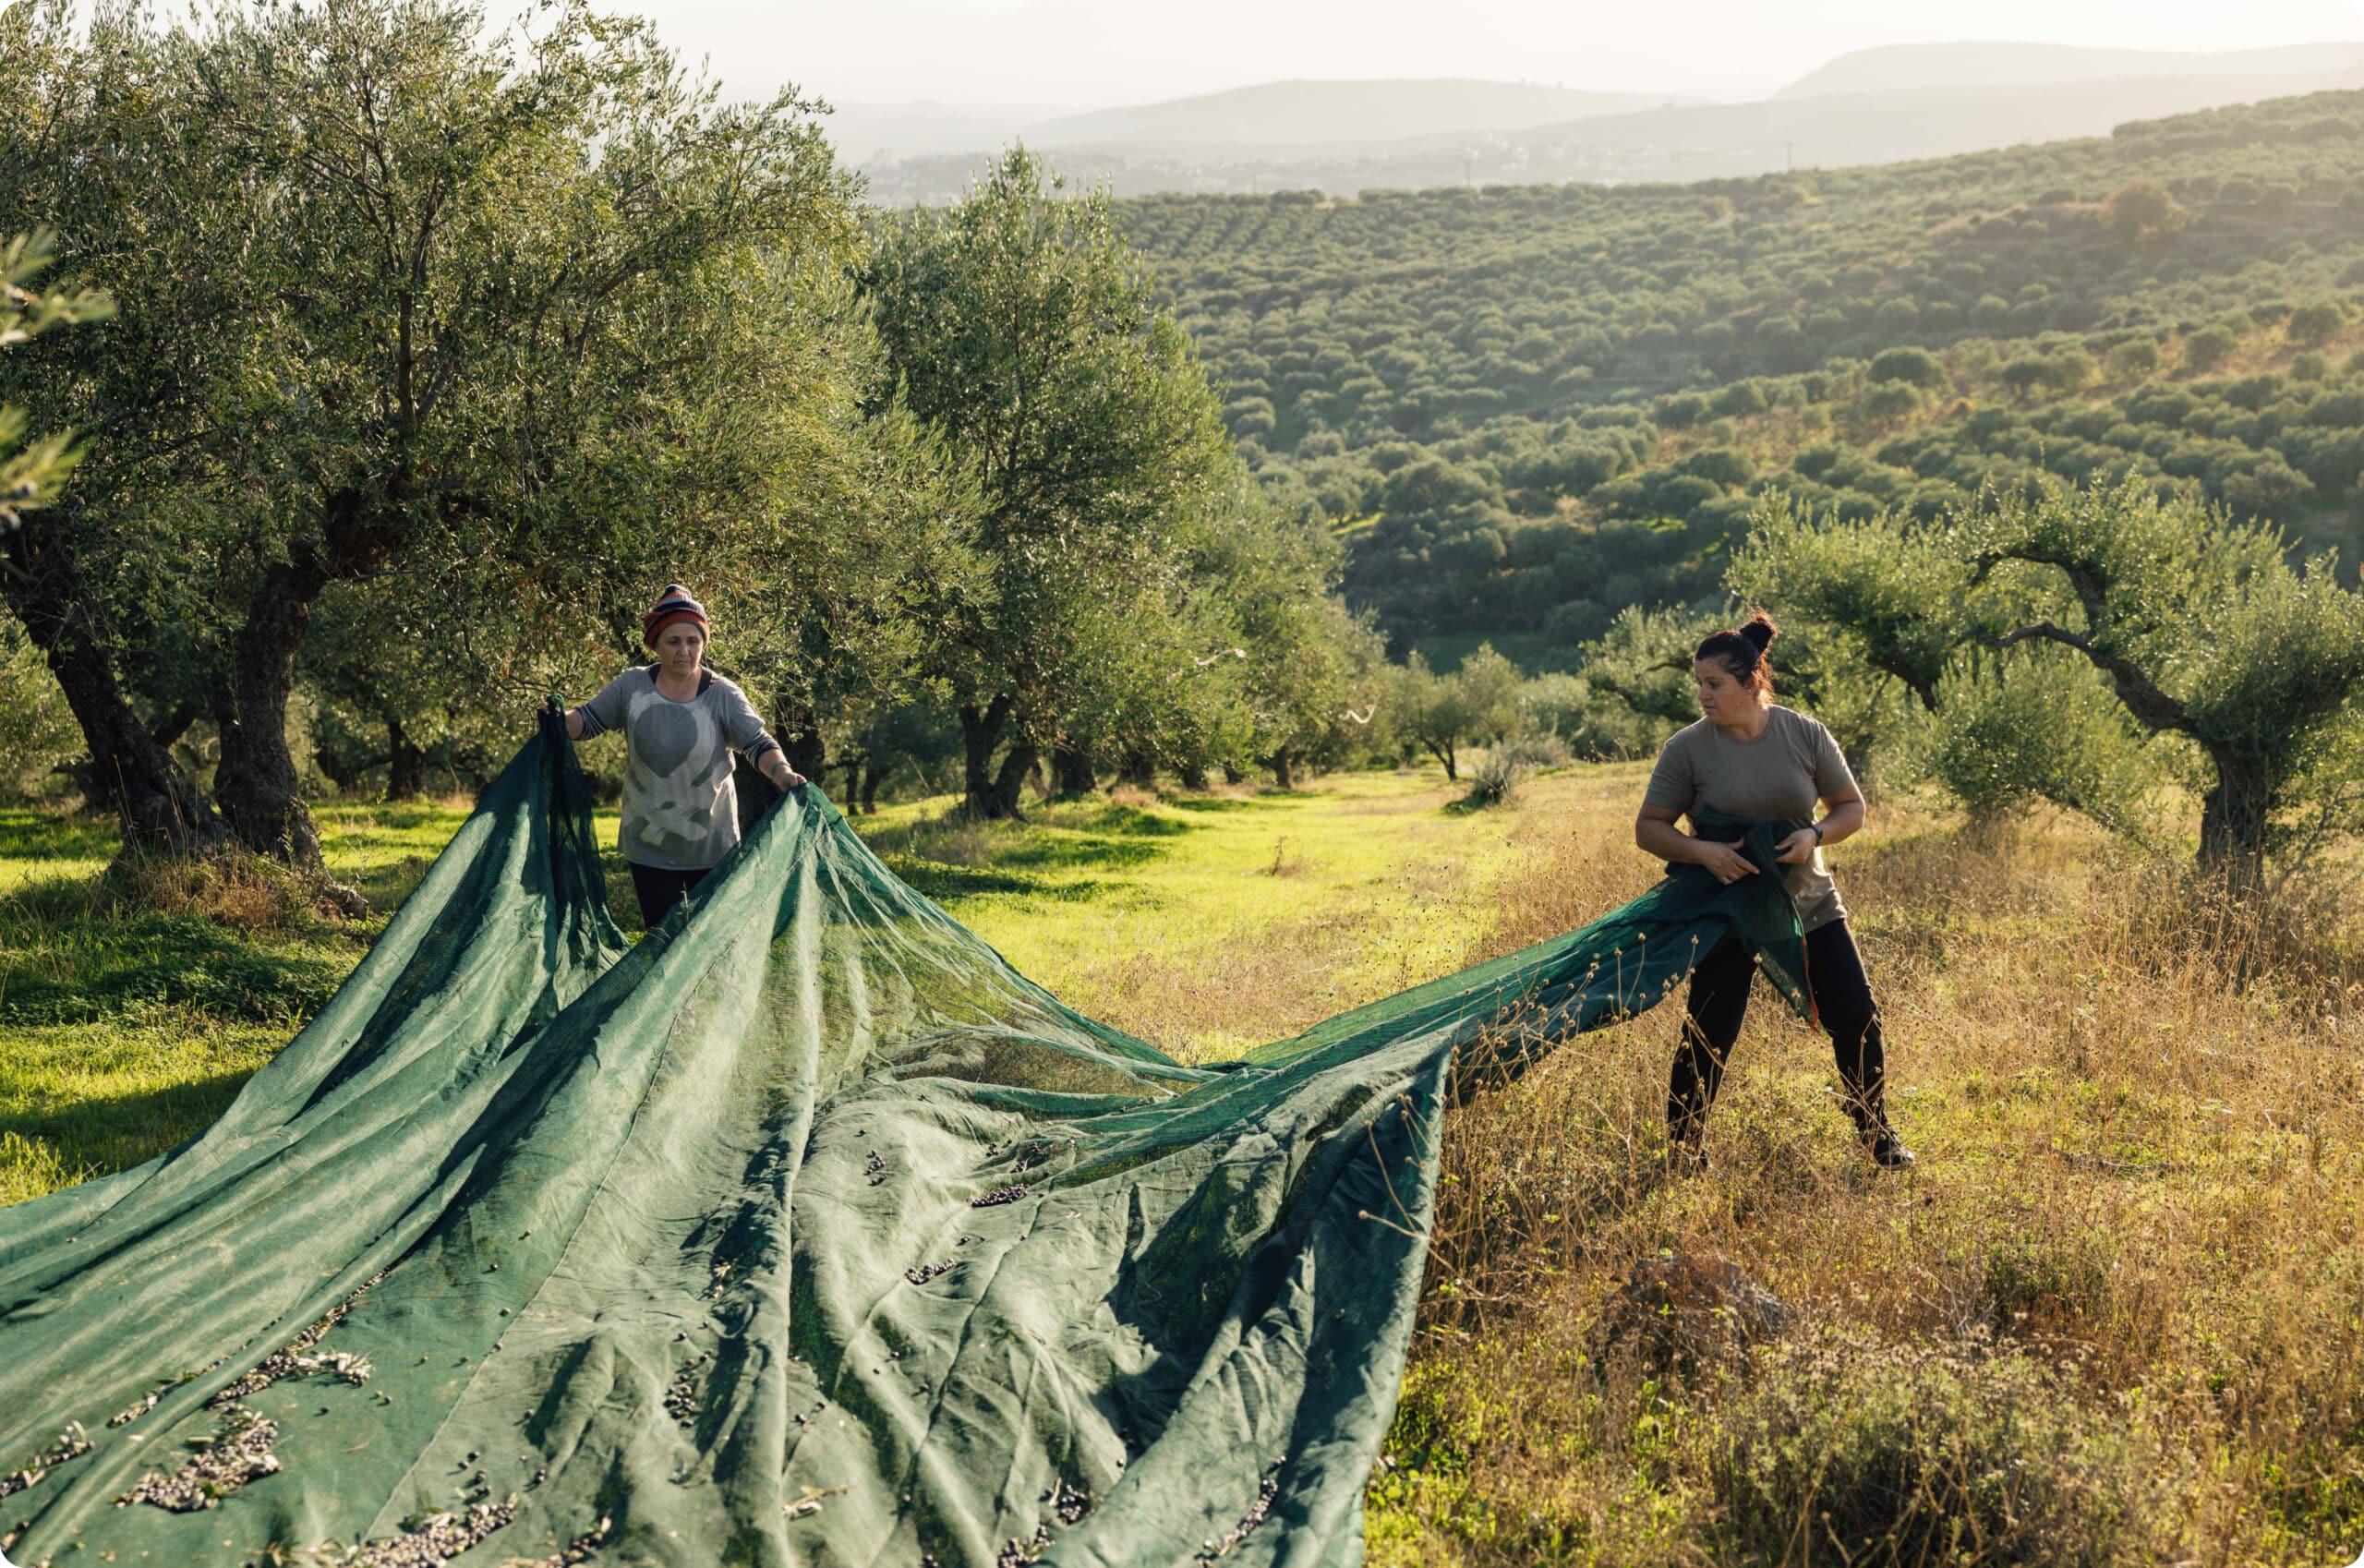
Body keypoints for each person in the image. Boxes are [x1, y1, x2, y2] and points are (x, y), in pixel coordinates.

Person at [1632, 611, 1916, 1174]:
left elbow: (1851, 809)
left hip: (1807, 900)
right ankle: (1685, 1150)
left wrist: (1814, 835)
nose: (1703, 694)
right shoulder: (1687, 749)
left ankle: (1877, 1134)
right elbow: (1650, 829)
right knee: (1710, 1027)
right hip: (1726, 910)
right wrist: (1706, 853)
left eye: (1714, 684)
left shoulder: (1804, 733)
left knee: (1857, 1014)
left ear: (1751, 680)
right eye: (1699, 683)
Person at [562, 584, 807, 929]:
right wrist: (558, 719)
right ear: (655, 644)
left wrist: (782, 773)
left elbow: (757, 743)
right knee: (661, 939)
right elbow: (586, 722)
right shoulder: (631, 687)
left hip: (712, 847)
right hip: (649, 843)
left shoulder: (722, 694)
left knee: (710, 942)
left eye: (693, 641)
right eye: (673, 641)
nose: (684, 651)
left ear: (704, 643)